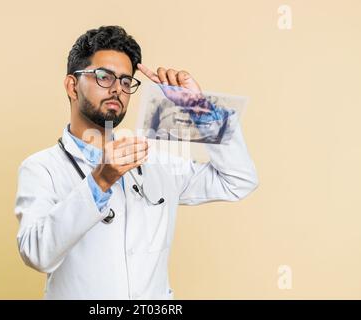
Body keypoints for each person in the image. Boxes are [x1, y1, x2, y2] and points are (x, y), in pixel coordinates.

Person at [14, 25, 258, 300]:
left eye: (126, 81)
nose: (118, 89)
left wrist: (198, 107)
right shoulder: (41, 168)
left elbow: (238, 180)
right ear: (72, 86)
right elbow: (37, 254)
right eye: (104, 77)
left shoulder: (155, 161)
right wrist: (99, 182)